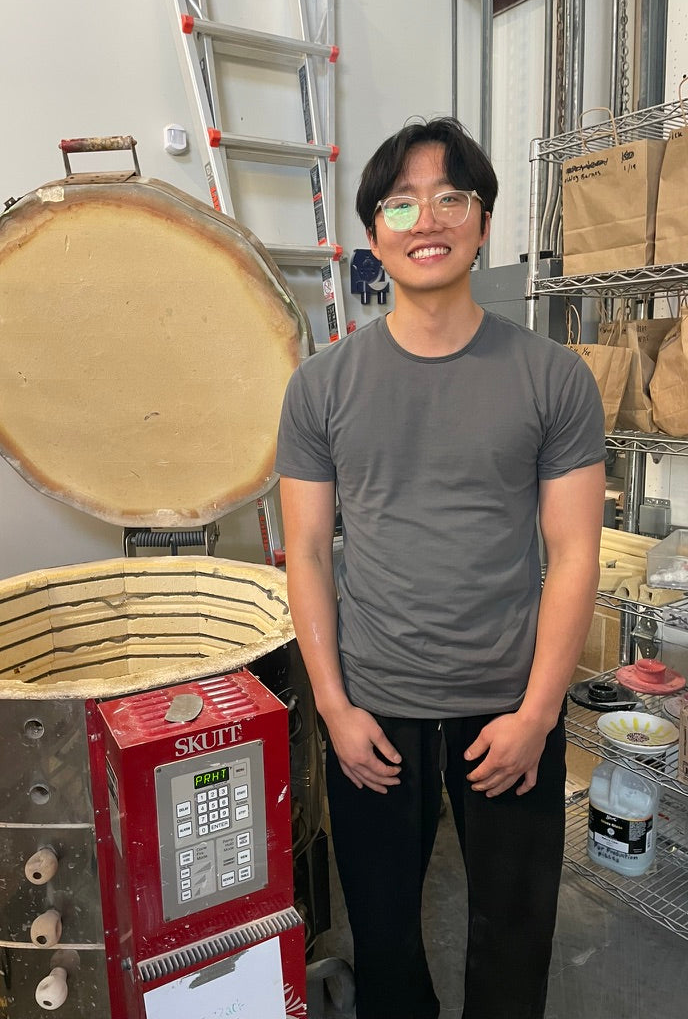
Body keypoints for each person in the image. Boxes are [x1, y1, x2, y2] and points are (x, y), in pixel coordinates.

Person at [274, 116, 605, 1019]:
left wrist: (539, 715)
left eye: (451, 196)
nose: (429, 217)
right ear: (374, 231)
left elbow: (575, 551)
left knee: (515, 930)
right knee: (382, 934)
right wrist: (334, 710)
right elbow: (304, 551)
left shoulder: (554, 378)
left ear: (483, 221)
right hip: (372, 713)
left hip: (510, 705)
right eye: (402, 201)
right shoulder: (321, 387)